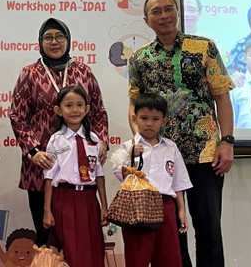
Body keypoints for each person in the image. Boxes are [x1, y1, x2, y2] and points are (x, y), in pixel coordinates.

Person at [128, 0, 234, 267]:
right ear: (146, 20)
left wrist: (227, 142)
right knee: (172, 233)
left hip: (205, 153)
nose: (164, 16)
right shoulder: (139, 58)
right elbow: (133, 105)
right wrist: (139, 143)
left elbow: (222, 96)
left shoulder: (204, 47)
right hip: (161, 157)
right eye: (156, 12)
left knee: (209, 228)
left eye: (168, 9)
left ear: (177, 12)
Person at [10, 17, 109, 246]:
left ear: (68, 40)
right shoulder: (30, 73)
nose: (54, 42)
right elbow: (17, 116)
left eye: (59, 36)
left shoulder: (83, 71)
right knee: (47, 233)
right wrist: (33, 151)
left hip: (80, 166)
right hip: (41, 165)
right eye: (48, 37)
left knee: (81, 234)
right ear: (40, 42)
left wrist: (102, 141)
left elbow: (99, 112)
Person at [113, 93, 192, 267]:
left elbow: (178, 183)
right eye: (144, 118)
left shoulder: (171, 147)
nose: (149, 123)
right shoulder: (129, 146)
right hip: (137, 206)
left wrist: (181, 211)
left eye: (155, 119)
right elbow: (118, 171)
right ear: (134, 119)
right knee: (137, 257)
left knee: (168, 256)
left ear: (163, 121)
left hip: (166, 206)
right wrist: (129, 155)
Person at [42, 86, 108, 267]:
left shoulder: (94, 139)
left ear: (87, 109)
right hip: (64, 199)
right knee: (70, 247)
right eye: (69, 105)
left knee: (93, 245)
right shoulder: (56, 140)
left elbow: (99, 175)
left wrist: (104, 206)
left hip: (88, 198)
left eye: (80, 105)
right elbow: (48, 177)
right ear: (58, 110)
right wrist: (47, 211)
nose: (75, 110)